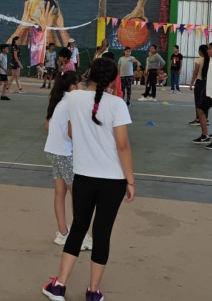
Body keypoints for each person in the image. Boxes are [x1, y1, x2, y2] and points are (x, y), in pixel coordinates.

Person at [41, 58, 135, 301]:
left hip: (83, 176)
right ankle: (93, 292)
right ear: (113, 79)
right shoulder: (117, 104)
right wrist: (130, 181)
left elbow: (71, 131)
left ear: (89, 74)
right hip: (113, 180)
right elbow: (123, 146)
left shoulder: (74, 98)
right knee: (102, 233)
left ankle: (59, 286)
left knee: (78, 228)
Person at [44, 71, 92, 250]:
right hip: (66, 153)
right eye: (80, 83)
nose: (82, 86)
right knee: (77, 195)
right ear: (73, 86)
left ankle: (63, 233)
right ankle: (77, 236)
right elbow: (72, 132)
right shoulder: (72, 102)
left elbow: (47, 126)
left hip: (54, 152)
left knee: (60, 192)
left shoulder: (57, 100)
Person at [188, 45, 209, 126]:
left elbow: (195, 72)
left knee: (198, 101)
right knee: (205, 102)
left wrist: (191, 83)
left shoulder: (198, 60)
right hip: (207, 83)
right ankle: (206, 119)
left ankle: (198, 119)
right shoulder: (210, 60)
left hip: (200, 83)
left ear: (200, 51)